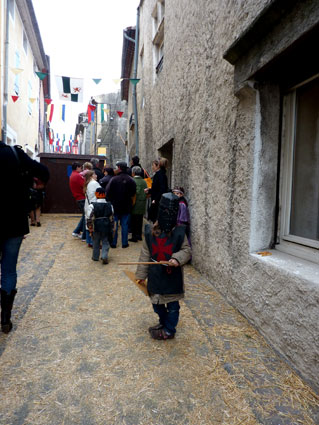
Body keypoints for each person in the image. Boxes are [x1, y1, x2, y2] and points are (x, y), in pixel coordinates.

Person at [0, 141, 49, 333]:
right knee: (9, 270)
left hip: (13, 223)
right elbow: (43, 171)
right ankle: (5, 318)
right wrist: (38, 185)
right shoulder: (14, 154)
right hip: (13, 221)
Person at [135, 192, 191, 340]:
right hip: (155, 274)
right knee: (157, 303)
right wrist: (141, 276)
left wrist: (176, 259)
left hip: (172, 276)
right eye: (165, 211)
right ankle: (163, 322)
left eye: (170, 212)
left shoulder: (179, 233)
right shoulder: (150, 232)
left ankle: (169, 329)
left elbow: (187, 250)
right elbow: (145, 254)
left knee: (173, 305)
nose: (167, 215)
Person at [105, 161, 136, 248]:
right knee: (125, 224)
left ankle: (114, 243)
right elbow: (133, 192)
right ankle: (124, 243)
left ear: (119, 168)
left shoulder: (113, 179)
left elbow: (108, 192)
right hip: (126, 205)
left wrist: (111, 200)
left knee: (115, 224)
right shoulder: (131, 180)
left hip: (115, 205)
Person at [87, 187, 114, 264]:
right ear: (104, 194)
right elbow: (112, 217)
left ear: (96, 194)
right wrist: (112, 227)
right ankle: (104, 255)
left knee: (96, 241)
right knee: (106, 241)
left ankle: (95, 257)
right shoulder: (110, 205)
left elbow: (89, 217)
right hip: (106, 225)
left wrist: (90, 227)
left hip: (96, 226)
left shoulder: (92, 205)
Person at [145, 157, 169, 223]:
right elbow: (157, 188)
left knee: (156, 220)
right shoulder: (159, 174)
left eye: (153, 165)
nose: (152, 167)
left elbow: (162, 189)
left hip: (158, 201)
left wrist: (155, 199)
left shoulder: (160, 175)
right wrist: (149, 190)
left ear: (158, 166)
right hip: (157, 200)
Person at [130, 166, 147, 242]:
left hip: (134, 203)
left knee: (133, 220)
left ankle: (134, 236)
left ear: (133, 173)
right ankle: (139, 235)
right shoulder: (144, 181)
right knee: (140, 220)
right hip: (142, 202)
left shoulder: (132, 181)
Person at [69, 162, 86, 241]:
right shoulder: (77, 176)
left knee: (84, 215)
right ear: (77, 168)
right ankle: (83, 235)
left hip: (78, 198)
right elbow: (84, 185)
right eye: (80, 167)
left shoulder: (72, 175)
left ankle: (77, 231)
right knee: (86, 216)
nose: (81, 169)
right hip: (82, 197)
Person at [84, 170, 101, 247]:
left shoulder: (88, 184)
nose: (96, 176)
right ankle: (92, 242)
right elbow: (95, 196)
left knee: (88, 223)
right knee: (93, 223)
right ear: (91, 176)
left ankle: (89, 241)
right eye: (95, 174)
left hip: (88, 206)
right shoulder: (94, 183)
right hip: (93, 206)